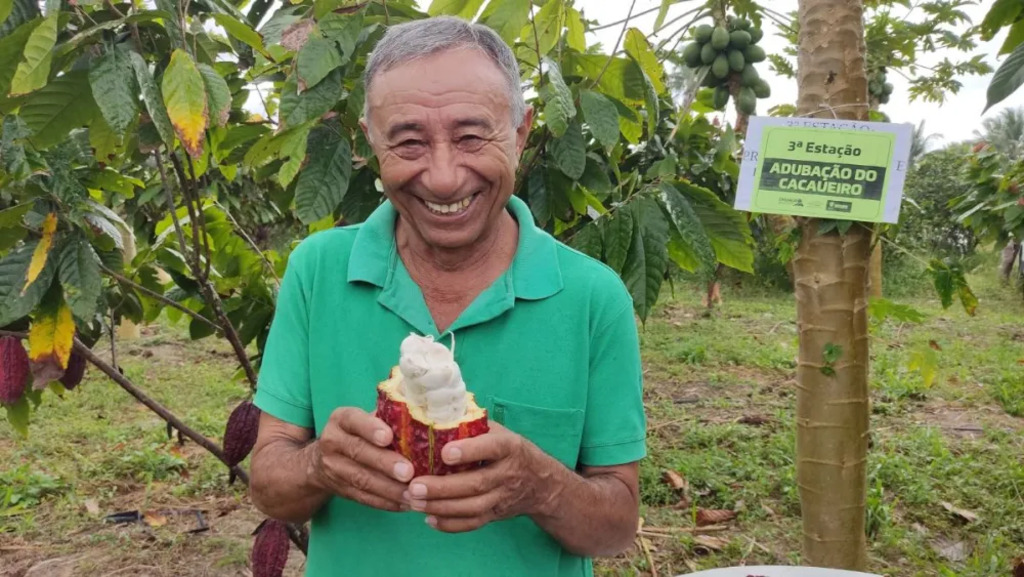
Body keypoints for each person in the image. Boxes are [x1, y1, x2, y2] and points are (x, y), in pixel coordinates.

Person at [248, 15, 647, 577]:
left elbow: (617, 527)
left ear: (520, 133)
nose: (442, 177)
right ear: (371, 142)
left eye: (471, 137)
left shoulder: (593, 299)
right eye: (409, 142)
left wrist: (540, 485)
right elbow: (269, 486)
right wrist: (320, 465)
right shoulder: (317, 271)